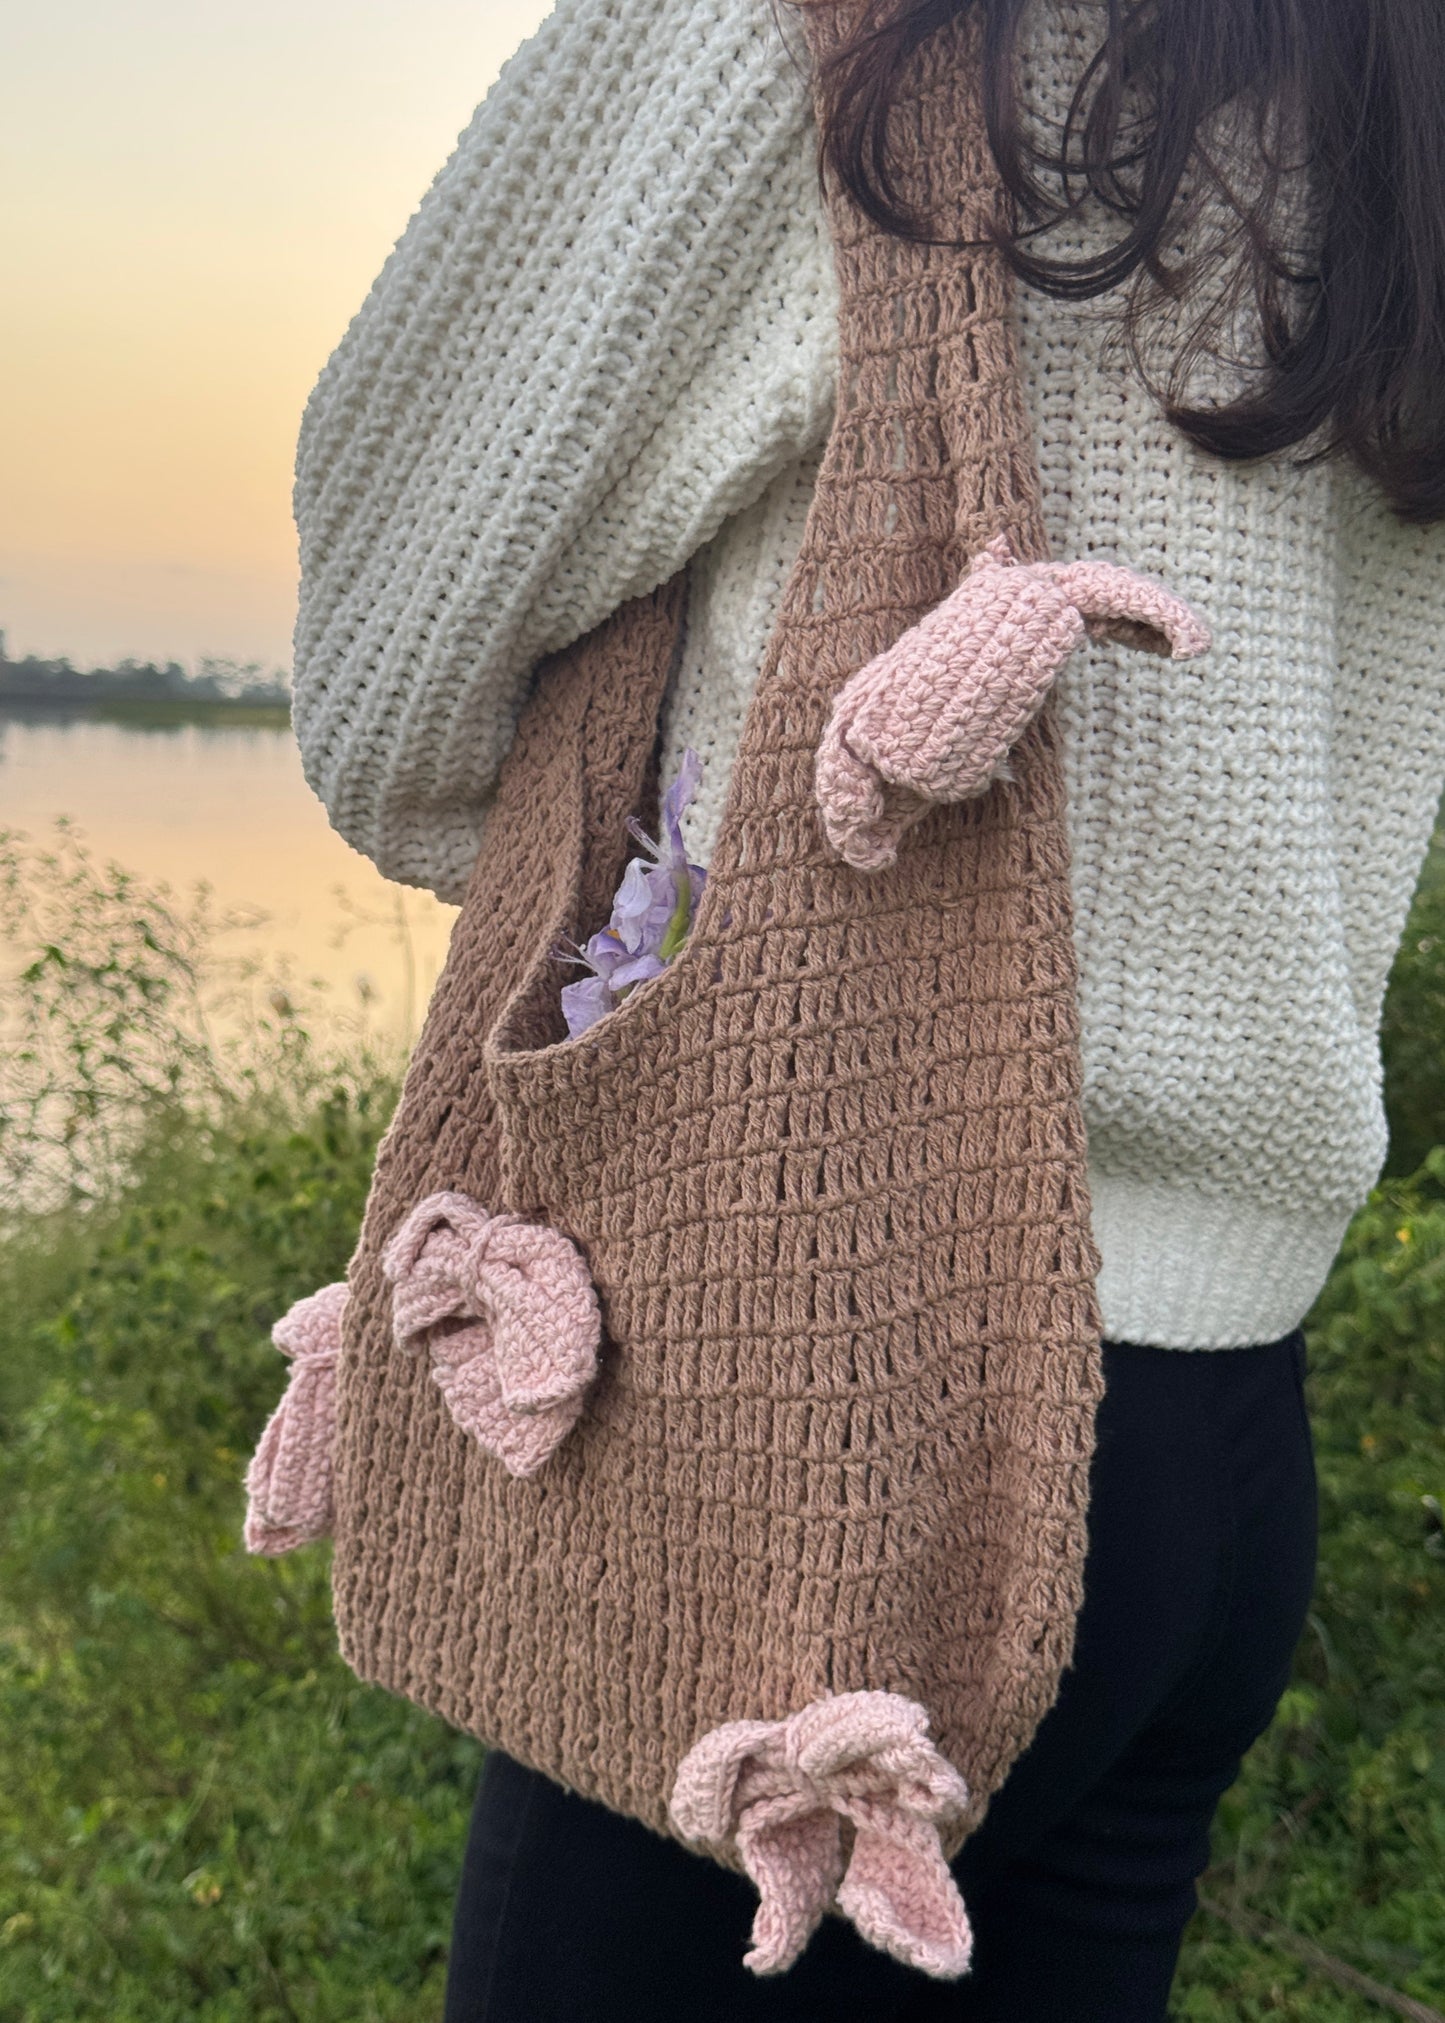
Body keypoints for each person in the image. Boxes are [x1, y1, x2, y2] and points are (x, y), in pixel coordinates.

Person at [287, 0, 1445, 2015]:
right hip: (1215, 1438)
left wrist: (666, 927)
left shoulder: (851, 37)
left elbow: (392, 669)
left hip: (818, 1397)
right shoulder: (1391, 79)